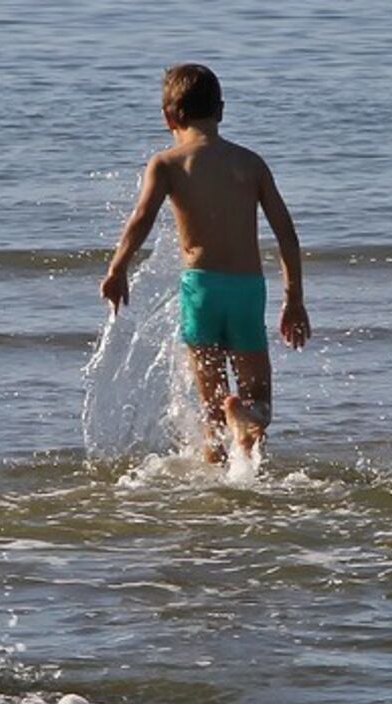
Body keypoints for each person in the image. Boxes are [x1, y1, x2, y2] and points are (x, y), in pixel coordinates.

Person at [100, 63, 311, 463]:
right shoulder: (250, 163)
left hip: (201, 291)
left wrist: (118, 268)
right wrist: (294, 298)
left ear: (169, 117)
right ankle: (249, 444)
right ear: (222, 110)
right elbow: (286, 233)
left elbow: (141, 219)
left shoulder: (167, 163)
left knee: (211, 410)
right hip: (246, 291)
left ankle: (216, 483)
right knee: (257, 400)